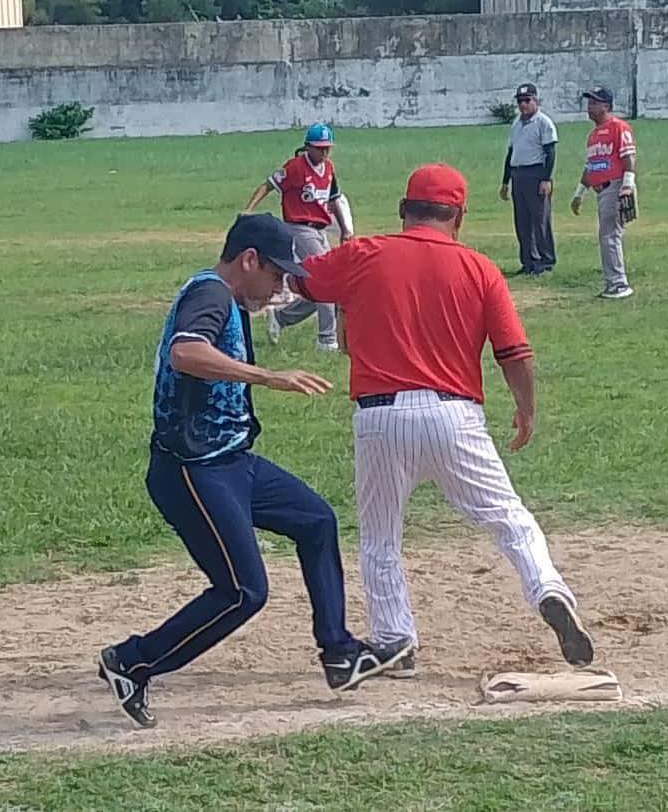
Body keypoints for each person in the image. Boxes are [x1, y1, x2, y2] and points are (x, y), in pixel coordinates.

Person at [97, 213, 411, 728]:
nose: (282, 287)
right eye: (277, 274)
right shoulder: (212, 295)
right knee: (243, 591)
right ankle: (131, 662)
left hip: (234, 462)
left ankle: (338, 651)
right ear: (248, 260)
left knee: (316, 521)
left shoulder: (231, 299)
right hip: (192, 471)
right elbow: (186, 353)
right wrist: (267, 377)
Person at [286, 164, 594, 678]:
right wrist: (526, 408)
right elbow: (514, 353)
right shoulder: (479, 268)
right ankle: (548, 587)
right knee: (508, 518)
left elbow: (304, 281)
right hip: (455, 416)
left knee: (381, 539)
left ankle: (395, 639)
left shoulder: (365, 253)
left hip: (380, 417)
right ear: (458, 216)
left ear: (404, 210)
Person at [243, 123, 353, 351]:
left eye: (327, 148)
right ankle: (326, 338)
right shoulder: (295, 168)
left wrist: (344, 229)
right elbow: (268, 185)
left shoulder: (329, 169)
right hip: (299, 227)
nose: (323, 153)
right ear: (308, 147)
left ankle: (282, 318)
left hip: (320, 229)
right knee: (327, 276)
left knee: (320, 286)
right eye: (319, 148)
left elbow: (334, 199)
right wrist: (248, 209)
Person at [570, 87, 638, 300]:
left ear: (606, 106)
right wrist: (580, 193)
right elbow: (592, 166)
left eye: (595, 103)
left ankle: (618, 284)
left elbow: (628, 158)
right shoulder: (593, 136)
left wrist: (627, 184)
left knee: (610, 235)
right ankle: (613, 282)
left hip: (615, 186)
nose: (589, 107)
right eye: (589, 103)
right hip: (601, 189)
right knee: (606, 235)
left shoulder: (618, 127)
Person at [500, 83, 559, 276]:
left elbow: (550, 152)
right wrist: (505, 181)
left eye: (527, 100)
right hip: (519, 174)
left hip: (536, 173)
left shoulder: (543, 123)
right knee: (522, 221)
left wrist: (546, 179)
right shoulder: (516, 123)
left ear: (536, 101)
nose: (523, 105)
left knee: (540, 219)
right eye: (520, 101)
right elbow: (511, 153)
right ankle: (528, 261)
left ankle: (546, 259)